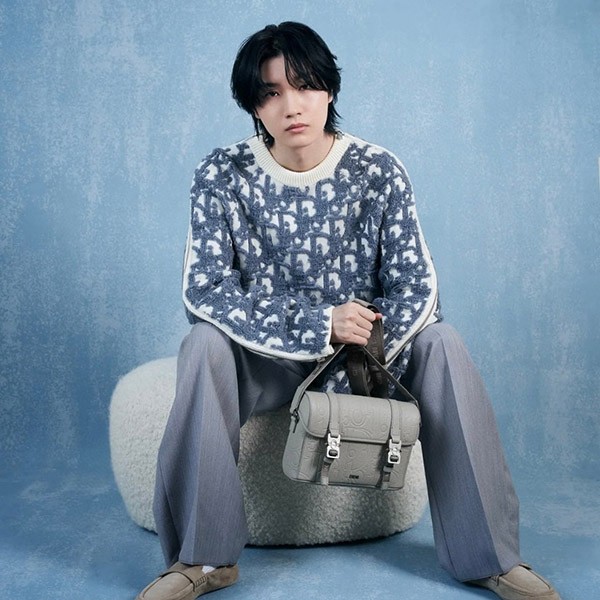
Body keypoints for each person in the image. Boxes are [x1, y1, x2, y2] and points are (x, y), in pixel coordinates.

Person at [136, 21, 560, 600]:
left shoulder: (378, 170)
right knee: (203, 343)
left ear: (329, 89)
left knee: (442, 341)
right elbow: (205, 291)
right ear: (254, 106)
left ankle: (491, 557)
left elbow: (417, 286)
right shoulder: (221, 174)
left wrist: (354, 339)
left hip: (369, 357)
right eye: (271, 93)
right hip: (266, 360)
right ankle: (203, 560)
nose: (292, 106)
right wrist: (317, 325)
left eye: (305, 86)